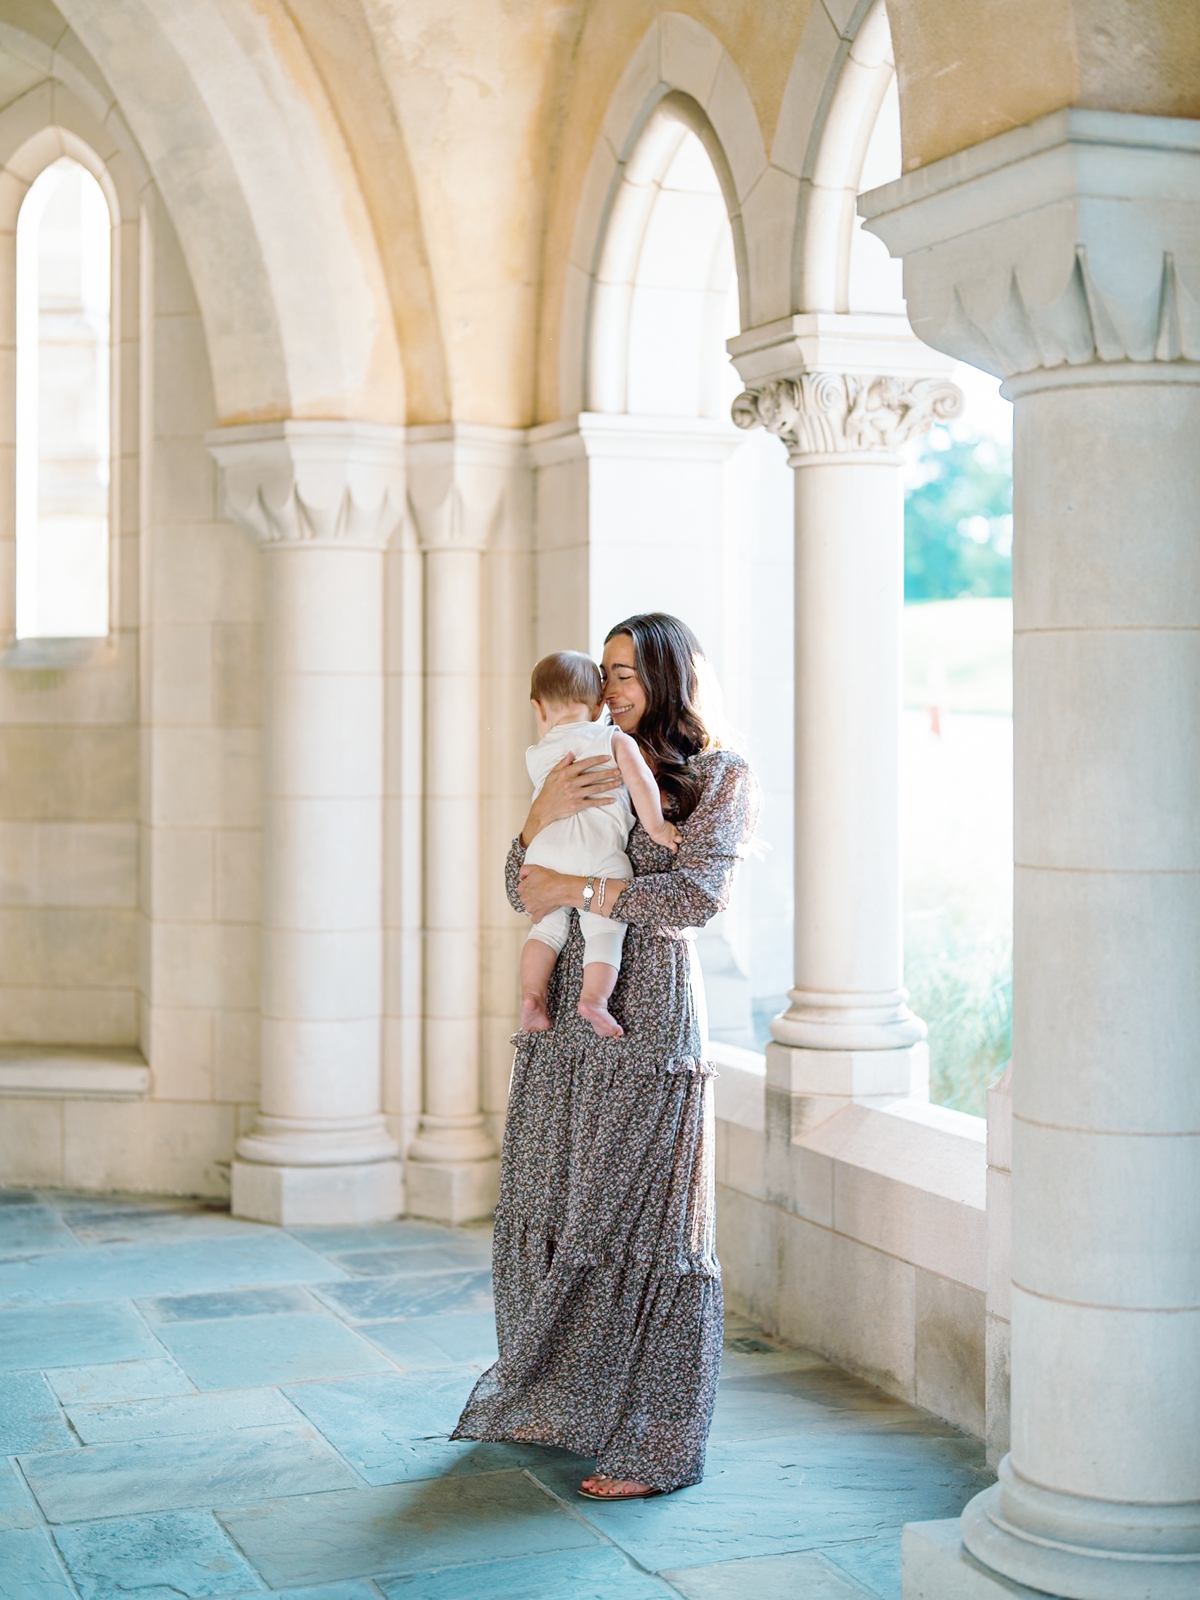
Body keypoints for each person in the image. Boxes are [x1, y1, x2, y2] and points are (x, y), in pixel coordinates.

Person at [452, 612, 759, 1500]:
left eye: (628, 674)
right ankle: (559, 1398)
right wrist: (543, 831)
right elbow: (522, 882)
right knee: (553, 1197)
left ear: (667, 678)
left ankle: (660, 1443)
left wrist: (581, 887)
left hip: (652, 1006)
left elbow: (696, 895)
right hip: (568, 1012)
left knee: (650, 1226)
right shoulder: (580, 752)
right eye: (607, 672)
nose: (613, 689)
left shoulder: (715, 776)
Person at [520, 648, 680, 1039]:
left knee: (544, 930)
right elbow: (641, 783)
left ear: (538, 709)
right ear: (596, 708)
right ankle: (594, 999)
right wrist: (658, 828)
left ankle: (531, 996)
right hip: (598, 855)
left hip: (545, 857)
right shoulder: (612, 739)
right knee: (605, 929)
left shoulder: (536, 755)